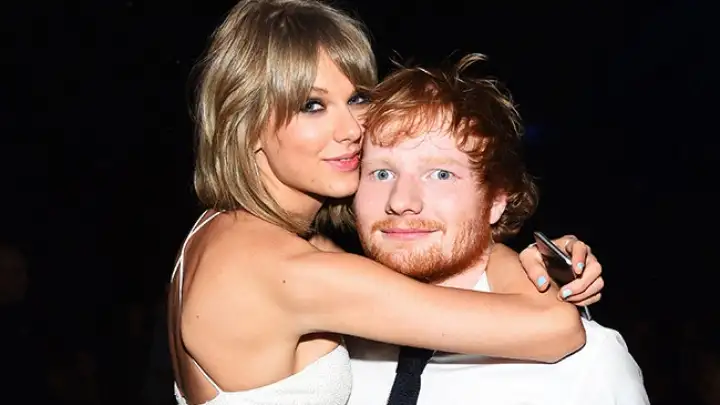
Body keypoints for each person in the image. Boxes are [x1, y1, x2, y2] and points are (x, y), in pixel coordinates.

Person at [168, 1, 606, 405]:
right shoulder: (292, 272)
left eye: (357, 98)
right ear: (246, 125)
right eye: (313, 105)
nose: (351, 130)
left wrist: (520, 256)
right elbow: (556, 328)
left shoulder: (221, 236)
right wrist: (528, 267)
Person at [344, 54, 649, 405]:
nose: (401, 201)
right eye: (382, 173)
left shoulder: (586, 366)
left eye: (441, 174)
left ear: (496, 201)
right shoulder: (327, 349)